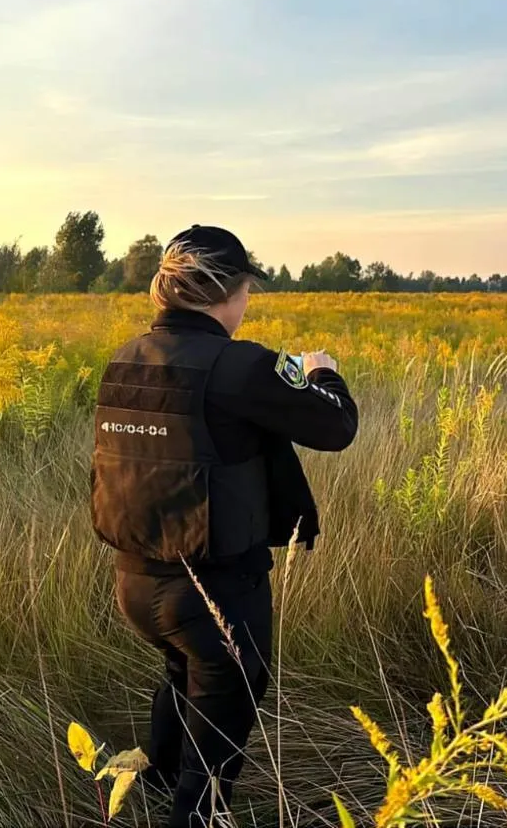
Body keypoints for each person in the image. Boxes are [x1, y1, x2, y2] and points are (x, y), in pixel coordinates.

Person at [90, 224, 359, 827]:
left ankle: (150, 789)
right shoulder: (239, 366)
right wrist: (322, 374)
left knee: (182, 680)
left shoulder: (126, 359)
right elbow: (336, 428)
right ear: (230, 292)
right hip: (218, 593)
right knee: (212, 769)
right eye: (246, 293)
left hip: (135, 582)